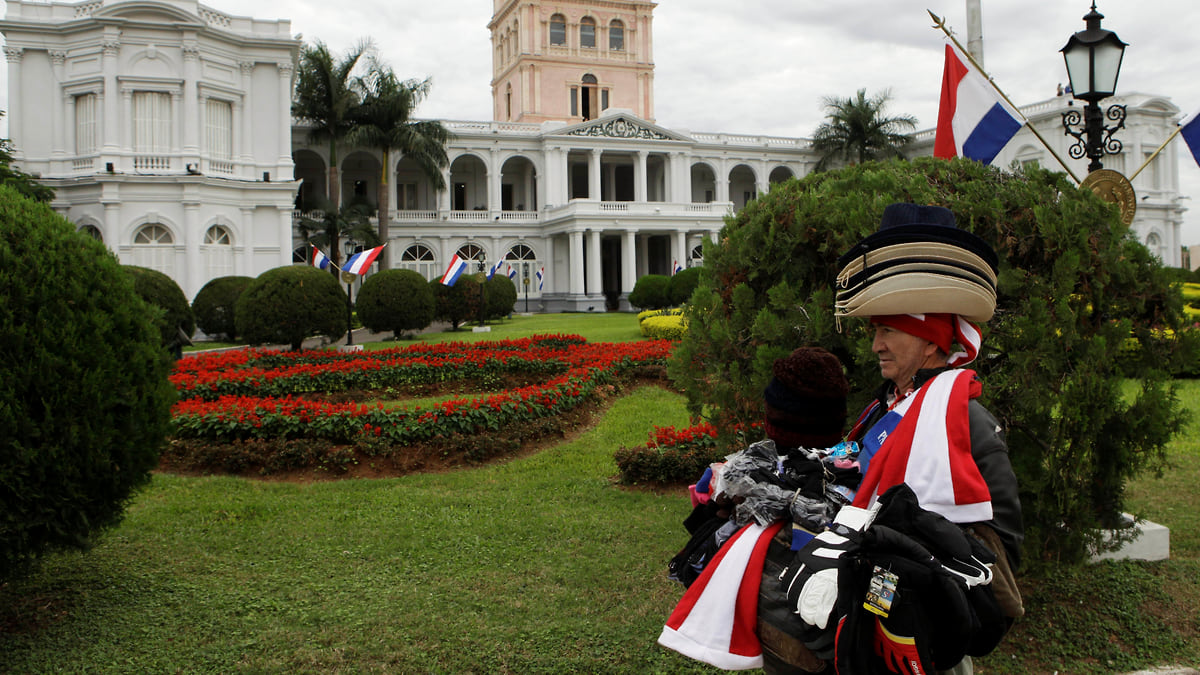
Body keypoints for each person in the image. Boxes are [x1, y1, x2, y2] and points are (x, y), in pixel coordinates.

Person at [835, 203, 1024, 675]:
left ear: (933, 340)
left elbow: (1003, 546)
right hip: (874, 611)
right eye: (874, 329)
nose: (875, 344)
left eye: (888, 330)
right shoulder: (884, 407)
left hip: (927, 629)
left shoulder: (967, 422)